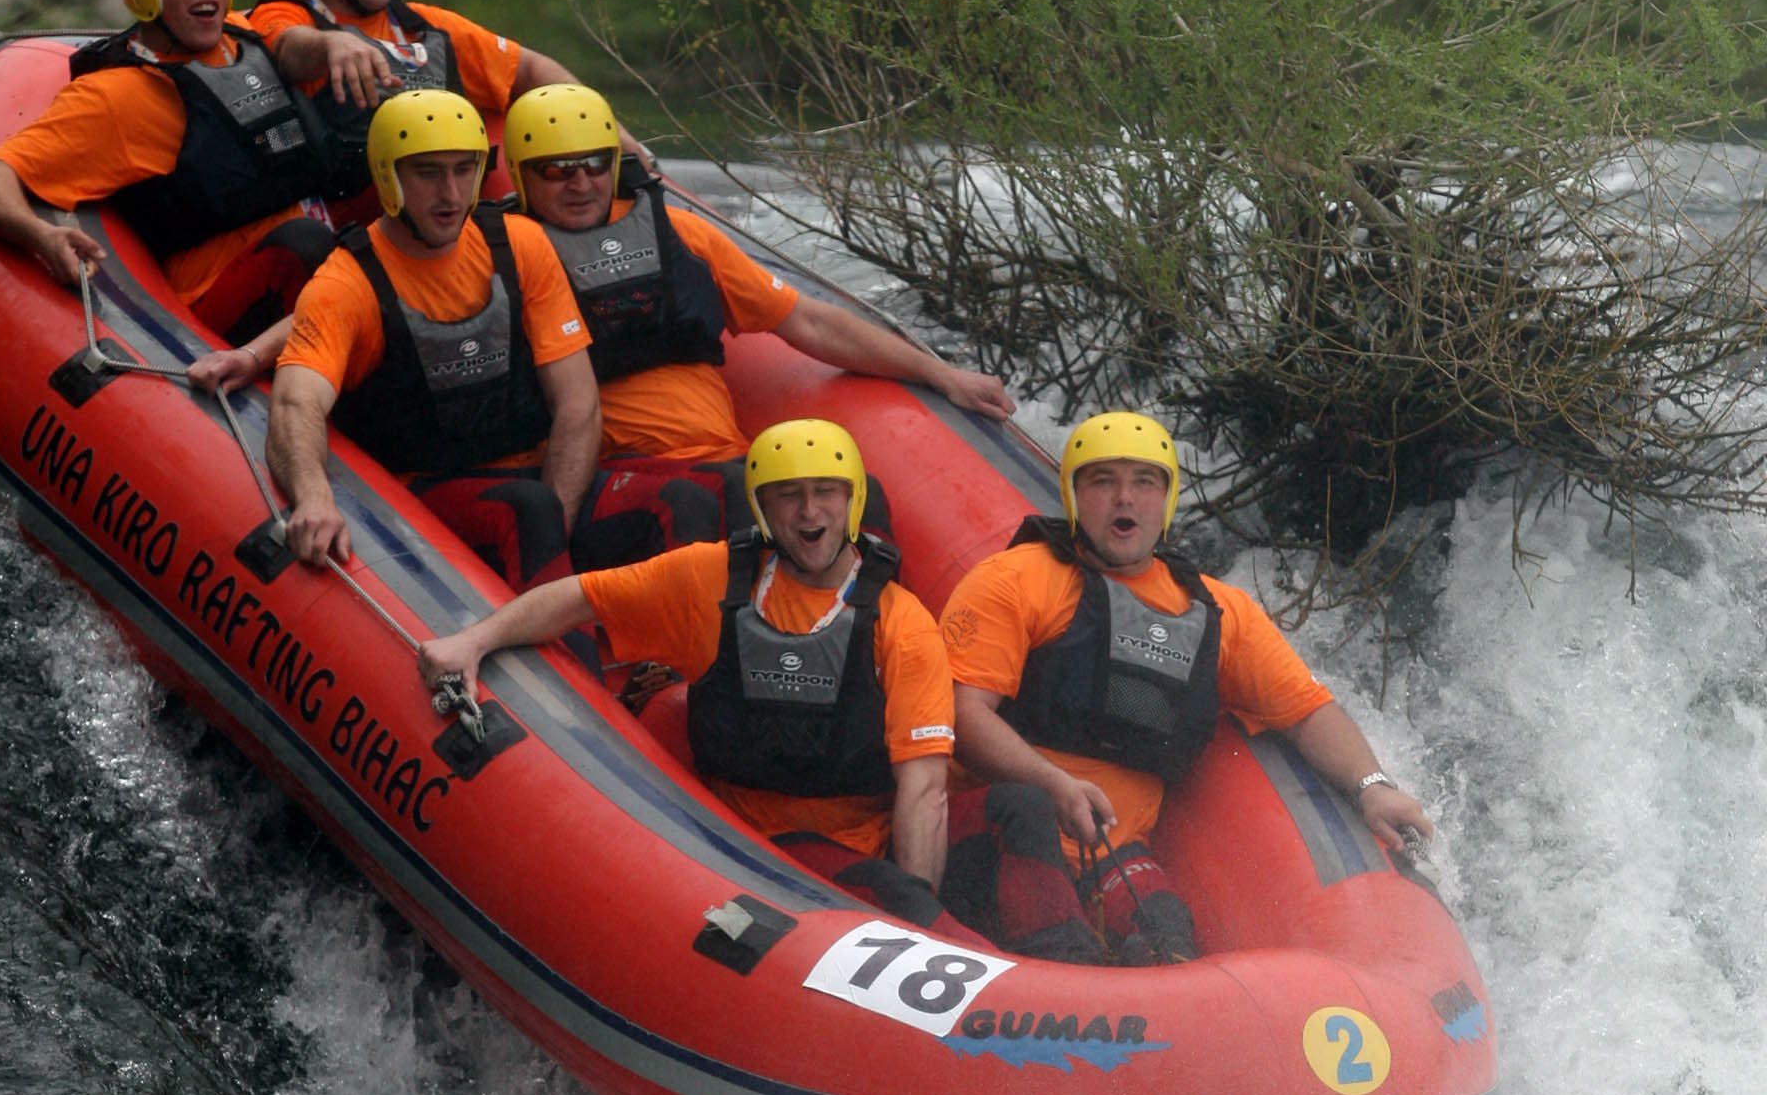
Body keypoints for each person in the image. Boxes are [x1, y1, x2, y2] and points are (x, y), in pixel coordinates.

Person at [939, 410, 1433, 965]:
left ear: (1167, 499)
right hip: (993, 831)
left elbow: (1309, 712)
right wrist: (1053, 784)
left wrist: (1373, 787)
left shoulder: (1219, 613)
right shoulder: (1014, 580)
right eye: (1102, 481)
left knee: (1166, 932)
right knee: (1033, 837)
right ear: (1074, 495)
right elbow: (961, 714)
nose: (1125, 498)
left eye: (1145, 482)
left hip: (1108, 852)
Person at [415, 417, 956, 920]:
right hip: (719, 838)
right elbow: (580, 598)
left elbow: (924, 791)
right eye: (788, 495)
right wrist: (474, 641)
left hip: (844, 856)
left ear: (853, 499)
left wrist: (916, 912)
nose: (810, 512)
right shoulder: (709, 577)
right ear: (762, 507)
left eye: (826, 491)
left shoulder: (904, 625)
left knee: (901, 893)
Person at [499, 82, 1017, 569]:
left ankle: (871, 629)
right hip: (616, 472)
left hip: (721, 456)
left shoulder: (678, 232)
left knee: (857, 495)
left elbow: (810, 322)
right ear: (522, 175)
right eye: (557, 170)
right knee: (703, 498)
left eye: (594, 164)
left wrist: (941, 373)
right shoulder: (508, 256)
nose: (581, 183)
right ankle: (690, 638)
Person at [0, 0, 336, 342]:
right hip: (228, 296)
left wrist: (336, 46)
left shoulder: (243, 37)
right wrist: (39, 236)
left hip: (319, 268)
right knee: (303, 246)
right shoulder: (118, 97)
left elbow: (288, 36)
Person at [267, 87, 599, 588]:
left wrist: (558, 524)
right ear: (388, 176)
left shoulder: (520, 243)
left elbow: (578, 403)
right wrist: (313, 496)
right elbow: (296, 402)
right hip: (425, 494)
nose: (451, 193)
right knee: (529, 508)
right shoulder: (345, 284)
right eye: (428, 173)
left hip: (534, 485)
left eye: (464, 170)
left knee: (687, 496)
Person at [243, 0, 654, 225]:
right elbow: (288, 49)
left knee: (509, 127)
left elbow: (531, 71)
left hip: (445, 222)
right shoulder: (287, 16)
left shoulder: (427, 26)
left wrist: (621, 144)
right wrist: (331, 45)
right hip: (354, 225)